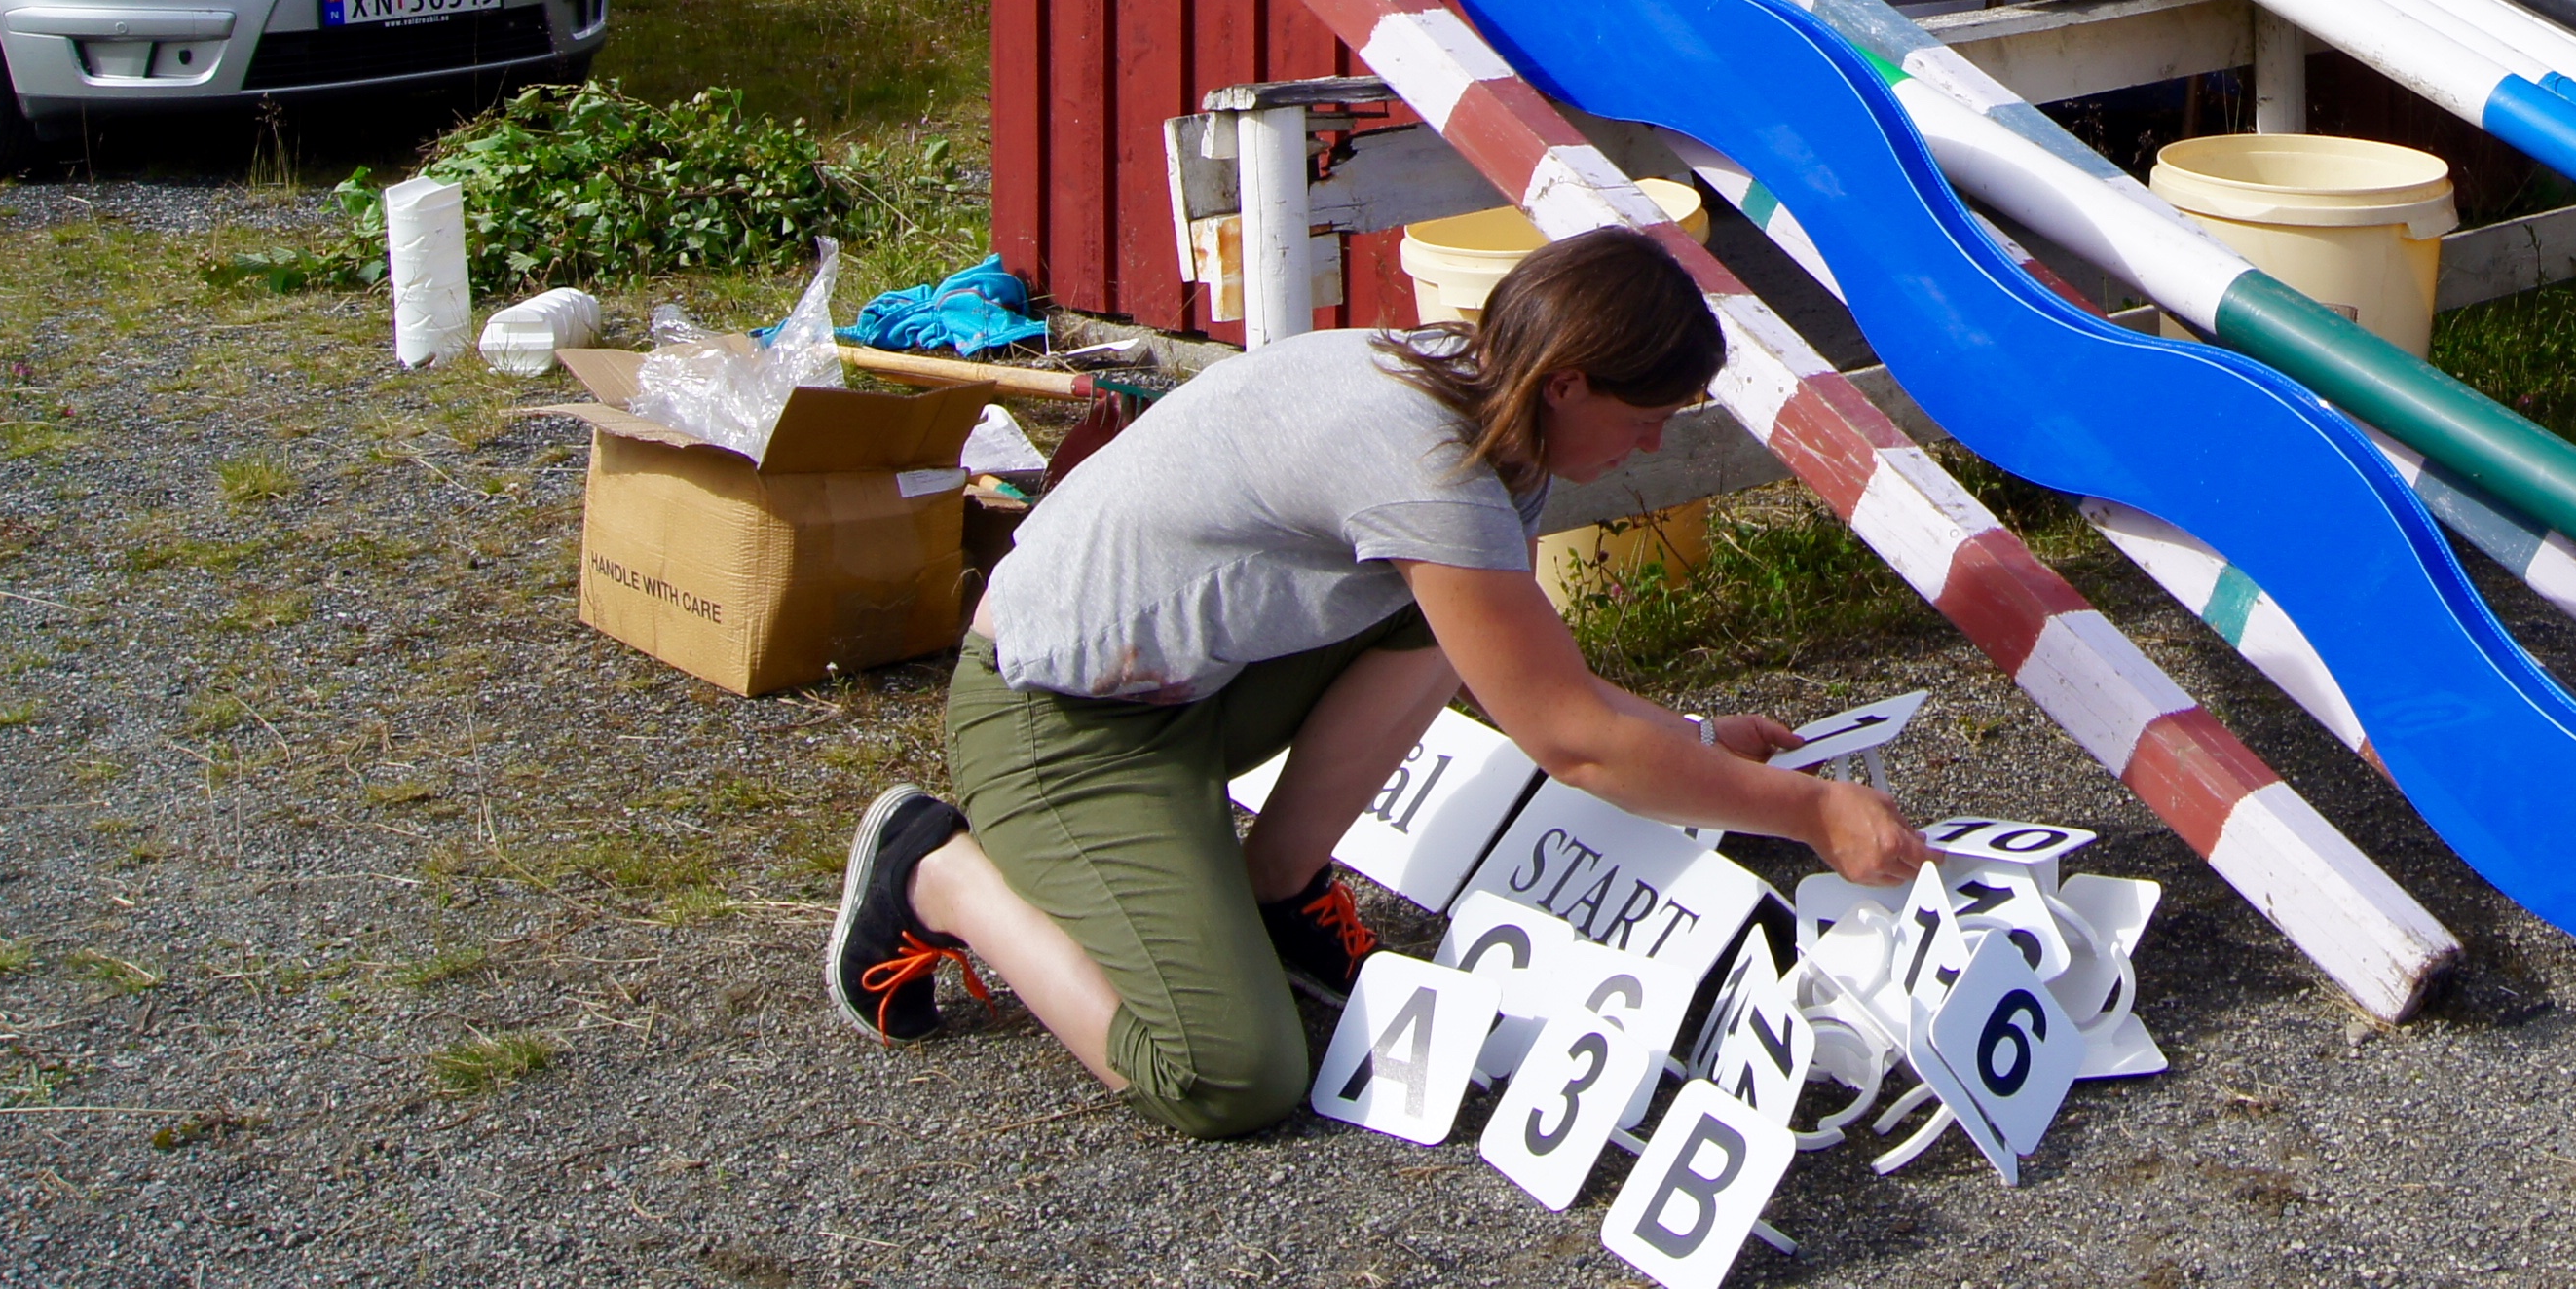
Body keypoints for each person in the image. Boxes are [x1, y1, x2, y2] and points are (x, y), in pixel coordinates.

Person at [822, 226, 1926, 1134]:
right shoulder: (1427, 464)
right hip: (1054, 721)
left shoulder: (1479, 399)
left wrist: (1687, 734)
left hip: (1189, 690)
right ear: (1571, 381)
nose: (1646, 448)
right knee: (1230, 1075)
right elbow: (1570, 741)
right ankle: (938, 870)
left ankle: (1275, 889)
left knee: (1434, 616)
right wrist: (1813, 809)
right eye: (1643, 420)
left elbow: (1522, 657)